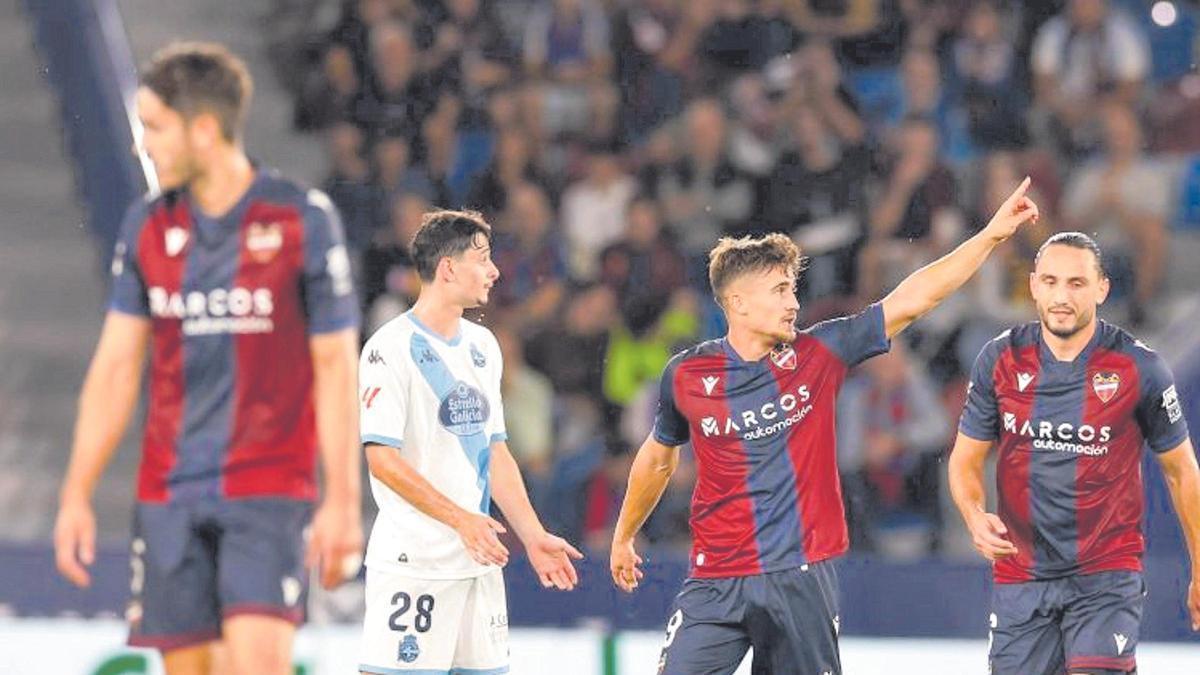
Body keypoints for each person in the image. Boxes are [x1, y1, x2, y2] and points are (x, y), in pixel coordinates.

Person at [609, 178, 1041, 674]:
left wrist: (988, 237)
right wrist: (624, 535)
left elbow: (912, 300)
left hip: (801, 575)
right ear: (738, 304)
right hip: (714, 581)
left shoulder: (819, 354)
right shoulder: (685, 375)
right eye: (779, 290)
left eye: (792, 288)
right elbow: (659, 458)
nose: (794, 302)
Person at [53, 42, 363, 675]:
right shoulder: (146, 228)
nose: (145, 145)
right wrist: (77, 492)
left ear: (204, 129)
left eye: (156, 128)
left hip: (269, 490)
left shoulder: (302, 220)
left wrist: (343, 500)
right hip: (169, 493)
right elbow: (115, 368)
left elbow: (335, 366)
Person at [948, 232, 1200, 675]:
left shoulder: (1140, 367)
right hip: (1021, 578)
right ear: (1033, 285)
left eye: (1076, 283)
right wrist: (972, 514)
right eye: (1050, 281)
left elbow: (1182, 471)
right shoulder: (1001, 359)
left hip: (1105, 576)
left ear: (1102, 288)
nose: (1061, 296)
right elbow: (965, 459)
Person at [357, 209, 583, 674]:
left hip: (478, 563)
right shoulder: (387, 349)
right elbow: (381, 459)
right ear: (448, 269)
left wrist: (533, 534)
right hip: (414, 563)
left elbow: (494, 451)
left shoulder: (484, 346)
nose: (495, 270)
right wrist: (461, 519)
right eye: (483, 258)